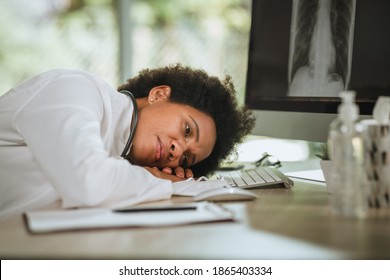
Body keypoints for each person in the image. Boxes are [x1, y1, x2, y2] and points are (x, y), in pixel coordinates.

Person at [0, 64, 254, 220]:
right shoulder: (76, 89)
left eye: (186, 158)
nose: (177, 152)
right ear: (158, 94)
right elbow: (87, 184)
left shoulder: (121, 157)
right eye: (187, 130)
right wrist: (159, 179)